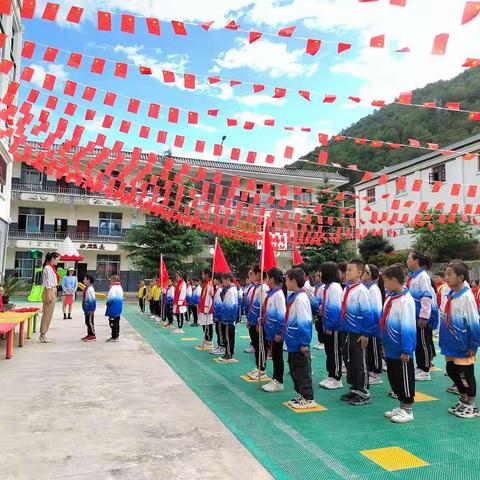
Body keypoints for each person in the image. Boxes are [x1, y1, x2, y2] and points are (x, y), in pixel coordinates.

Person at [440, 260, 480, 419]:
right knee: (451, 369)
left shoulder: (467, 297)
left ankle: (472, 404)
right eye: (445, 274)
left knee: (467, 373)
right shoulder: (449, 294)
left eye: (449, 274)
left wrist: (474, 344)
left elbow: (474, 322)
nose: (446, 278)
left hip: (464, 343)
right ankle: (463, 399)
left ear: (461, 277)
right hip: (451, 342)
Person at [381, 264, 417, 424]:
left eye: (385, 281)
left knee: (404, 378)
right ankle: (401, 406)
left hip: (401, 349)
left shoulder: (406, 301)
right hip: (391, 347)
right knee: (394, 377)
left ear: (394, 280)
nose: (384, 284)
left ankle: (408, 409)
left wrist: (406, 350)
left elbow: (408, 327)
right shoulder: (391, 297)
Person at [340, 259, 374, 406]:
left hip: (358, 333)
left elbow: (368, 314)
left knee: (360, 363)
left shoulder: (362, 291)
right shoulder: (347, 288)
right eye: (346, 269)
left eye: (350, 270)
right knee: (349, 361)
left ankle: (364, 391)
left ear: (359, 273)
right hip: (347, 331)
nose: (347, 272)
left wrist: (366, 333)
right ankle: (355, 388)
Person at [284, 268, 317, 409]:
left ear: (293, 281)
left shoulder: (301, 298)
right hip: (292, 341)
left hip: (299, 342)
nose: (285, 283)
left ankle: (308, 398)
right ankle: (301, 395)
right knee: (294, 368)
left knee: (302, 369)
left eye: (286, 280)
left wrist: (304, 342)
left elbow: (304, 322)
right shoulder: (294, 297)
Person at [406, 251, 438, 382]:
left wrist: (424, 317)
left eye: (409, 258)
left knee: (423, 342)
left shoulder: (423, 277)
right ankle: (420, 366)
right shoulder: (413, 277)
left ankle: (425, 370)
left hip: (422, 317)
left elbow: (426, 297)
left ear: (416, 261)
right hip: (414, 316)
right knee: (418, 342)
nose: (407, 261)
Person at [319, 261, 344, 390]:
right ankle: (331, 374)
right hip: (327, 325)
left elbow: (335, 310)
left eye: (321, 271)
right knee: (329, 351)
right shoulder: (328, 287)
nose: (319, 274)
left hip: (334, 327)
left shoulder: (334, 287)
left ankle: (337, 377)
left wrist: (330, 326)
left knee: (334, 351)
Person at [261, 267, 286, 392]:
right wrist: (263, 319)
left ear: (272, 279)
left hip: (276, 333)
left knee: (277, 356)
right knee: (274, 356)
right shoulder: (271, 293)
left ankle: (279, 381)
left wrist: (278, 332)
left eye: (267, 277)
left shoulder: (278, 295)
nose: (265, 279)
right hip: (270, 331)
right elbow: (270, 312)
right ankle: (275, 378)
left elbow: (281, 315)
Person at [245, 265, 269, 380]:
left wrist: (260, 323)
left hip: (259, 323)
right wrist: (249, 319)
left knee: (260, 345)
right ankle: (257, 366)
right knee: (255, 344)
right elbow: (251, 305)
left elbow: (264, 307)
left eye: (252, 273)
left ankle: (262, 368)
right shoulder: (254, 287)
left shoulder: (263, 288)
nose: (250, 276)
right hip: (253, 321)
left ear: (259, 274)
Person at [363, 264, 385, 386]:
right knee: (370, 349)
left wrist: (373, 326)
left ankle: (376, 374)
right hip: (368, 326)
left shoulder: (373, 290)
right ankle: (371, 371)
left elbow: (376, 311)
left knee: (375, 349)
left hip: (374, 326)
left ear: (370, 275)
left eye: (365, 272)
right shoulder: (367, 288)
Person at [40, 252, 60, 343]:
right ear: (52, 259)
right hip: (49, 291)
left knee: (49, 314)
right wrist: (48, 296)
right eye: (57, 259)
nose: (58, 261)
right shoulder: (47, 268)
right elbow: (48, 283)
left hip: (52, 291)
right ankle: (43, 334)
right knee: (47, 314)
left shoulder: (52, 268)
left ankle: (43, 334)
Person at [218, 273, 238, 362]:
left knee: (228, 337)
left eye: (223, 281)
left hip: (228, 319)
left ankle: (229, 354)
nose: (222, 283)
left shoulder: (230, 290)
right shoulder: (230, 289)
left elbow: (229, 306)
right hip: (228, 317)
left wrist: (225, 318)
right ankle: (228, 352)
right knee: (229, 337)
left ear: (227, 279)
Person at [198, 268, 214, 348]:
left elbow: (209, 297)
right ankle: (206, 339)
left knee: (208, 324)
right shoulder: (206, 283)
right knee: (204, 323)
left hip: (207, 307)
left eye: (203, 273)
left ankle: (209, 341)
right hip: (203, 306)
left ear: (207, 274)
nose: (202, 275)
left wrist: (207, 307)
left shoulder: (210, 283)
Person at [105, 275, 124, 342]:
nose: (110, 281)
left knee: (112, 322)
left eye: (111, 280)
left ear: (114, 280)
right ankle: (116, 336)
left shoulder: (113, 288)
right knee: (117, 322)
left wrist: (108, 303)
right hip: (118, 308)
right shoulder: (120, 287)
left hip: (113, 308)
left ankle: (114, 337)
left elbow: (111, 297)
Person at [210, 275, 225, 355]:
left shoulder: (219, 290)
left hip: (219, 316)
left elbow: (219, 304)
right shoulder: (217, 289)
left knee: (220, 331)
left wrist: (217, 315)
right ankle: (220, 346)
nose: (213, 281)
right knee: (218, 331)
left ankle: (222, 347)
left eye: (214, 279)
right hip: (217, 314)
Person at [81, 274, 96, 342]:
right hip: (86, 308)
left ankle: (93, 335)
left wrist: (91, 309)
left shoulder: (90, 289)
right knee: (87, 321)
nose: (83, 280)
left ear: (88, 280)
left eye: (84, 279)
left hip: (90, 309)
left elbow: (92, 300)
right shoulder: (86, 288)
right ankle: (89, 334)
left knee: (90, 321)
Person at [313, 270, 325, 350]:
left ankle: (322, 342)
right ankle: (320, 341)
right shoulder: (317, 287)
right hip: (317, 310)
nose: (315, 278)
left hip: (320, 311)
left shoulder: (322, 287)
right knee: (318, 326)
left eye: (317, 276)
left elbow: (322, 300)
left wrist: (320, 307)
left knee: (320, 326)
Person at [243, 276, 255, 353]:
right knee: (251, 330)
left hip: (254, 314)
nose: (249, 278)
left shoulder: (261, 287)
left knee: (254, 331)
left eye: (251, 275)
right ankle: (253, 344)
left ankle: (254, 345)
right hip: (250, 311)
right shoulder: (250, 287)